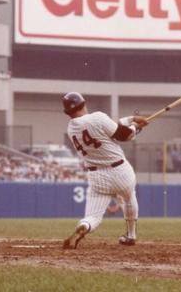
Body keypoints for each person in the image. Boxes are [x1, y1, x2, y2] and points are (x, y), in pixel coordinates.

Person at [61, 92, 148, 249]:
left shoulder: (71, 128)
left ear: (68, 112)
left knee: (93, 216)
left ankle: (85, 225)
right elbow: (123, 135)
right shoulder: (98, 117)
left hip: (97, 176)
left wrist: (132, 119)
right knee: (129, 198)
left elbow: (108, 128)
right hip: (120, 171)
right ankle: (131, 235)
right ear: (83, 104)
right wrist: (135, 128)